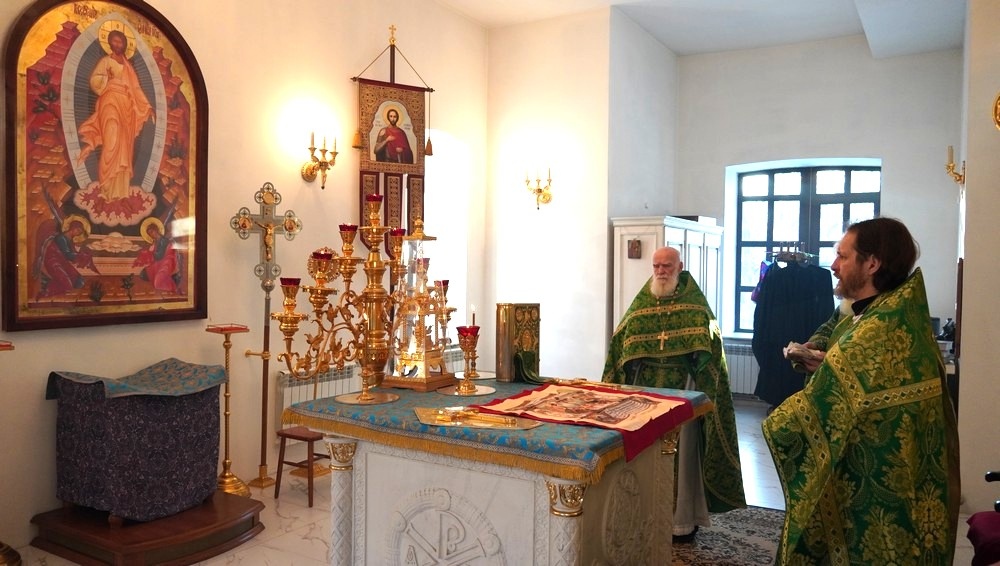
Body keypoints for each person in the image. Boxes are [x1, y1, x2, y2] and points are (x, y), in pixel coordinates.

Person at [762, 217, 960, 564]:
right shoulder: (879, 309)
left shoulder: (882, 328)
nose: (833, 266)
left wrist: (775, 427)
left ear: (872, 264)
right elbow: (835, 331)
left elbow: (834, 394)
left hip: (879, 479)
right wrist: (817, 351)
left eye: (842, 256)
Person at [603, 246, 746, 541]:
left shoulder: (695, 303)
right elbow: (621, 342)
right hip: (645, 394)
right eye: (656, 266)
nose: (660, 271)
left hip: (683, 391)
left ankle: (681, 522)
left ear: (680, 266)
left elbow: (710, 347)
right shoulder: (643, 301)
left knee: (682, 455)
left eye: (667, 266)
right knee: (644, 454)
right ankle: (643, 515)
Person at [77, 28, 155, 201]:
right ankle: (106, 186)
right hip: (110, 99)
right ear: (110, 43)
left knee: (124, 144)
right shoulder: (106, 61)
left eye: (121, 42)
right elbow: (95, 80)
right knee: (111, 139)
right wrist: (107, 79)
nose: (118, 44)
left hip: (126, 106)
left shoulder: (128, 67)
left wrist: (147, 106)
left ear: (125, 45)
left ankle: (120, 192)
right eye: (115, 41)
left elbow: (135, 88)